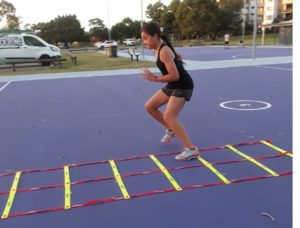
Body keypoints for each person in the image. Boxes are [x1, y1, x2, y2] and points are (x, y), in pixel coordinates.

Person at [141, 22, 199, 161]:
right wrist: (176, 58)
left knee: (169, 116)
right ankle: (171, 129)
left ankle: (191, 149)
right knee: (150, 107)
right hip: (173, 85)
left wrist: (153, 78)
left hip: (183, 85)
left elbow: (175, 75)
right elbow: (175, 58)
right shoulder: (159, 49)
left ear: (155, 36)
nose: (144, 42)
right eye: (143, 39)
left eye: (146, 38)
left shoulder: (164, 50)